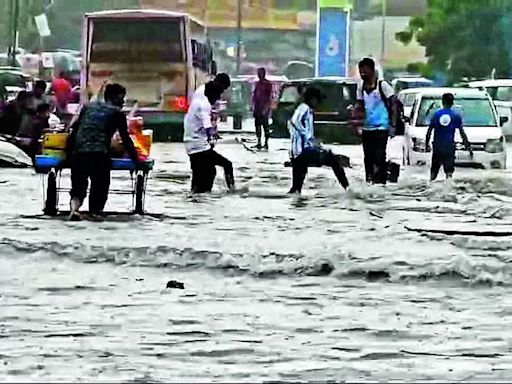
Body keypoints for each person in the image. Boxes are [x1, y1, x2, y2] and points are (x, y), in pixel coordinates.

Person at [67, 83, 141, 221]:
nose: (123, 102)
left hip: (79, 152)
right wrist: (137, 162)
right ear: (113, 97)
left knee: (78, 187)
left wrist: (68, 155)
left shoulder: (88, 107)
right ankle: (95, 212)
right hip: (99, 154)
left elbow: (75, 131)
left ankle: (74, 209)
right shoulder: (117, 113)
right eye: (121, 98)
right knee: (100, 185)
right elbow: (126, 140)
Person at [288, 86, 349, 194]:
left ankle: (296, 201)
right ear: (313, 99)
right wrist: (307, 137)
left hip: (297, 153)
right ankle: (347, 188)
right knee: (333, 159)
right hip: (302, 151)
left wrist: (313, 141)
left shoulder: (306, 109)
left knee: (297, 187)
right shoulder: (304, 108)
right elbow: (294, 121)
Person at [184, 81, 235, 193]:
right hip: (199, 147)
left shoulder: (197, 99)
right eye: (217, 97)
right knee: (226, 164)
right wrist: (212, 133)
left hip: (191, 145)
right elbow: (206, 123)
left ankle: (196, 197)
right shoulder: (204, 104)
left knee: (200, 175)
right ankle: (232, 190)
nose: (216, 100)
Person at [356, 57, 396, 185]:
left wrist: (393, 125)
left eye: (365, 71)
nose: (362, 74)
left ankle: (380, 183)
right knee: (368, 157)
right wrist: (356, 120)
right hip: (367, 128)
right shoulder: (360, 86)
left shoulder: (382, 85)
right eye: (360, 72)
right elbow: (360, 105)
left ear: (372, 70)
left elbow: (393, 104)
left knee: (379, 156)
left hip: (382, 127)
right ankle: (369, 181)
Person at [426, 93, 472, 181]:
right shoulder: (456, 116)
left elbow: (429, 131)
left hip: (437, 146)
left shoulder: (436, 114)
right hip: (449, 147)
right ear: (452, 103)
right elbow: (462, 133)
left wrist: (426, 145)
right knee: (449, 172)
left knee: (434, 171)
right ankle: (448, 188)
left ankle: (430, 185)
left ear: (443, 102)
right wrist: (468, 146)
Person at [252, 67, 273, 149]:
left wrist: (266, 108)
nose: (259, 75)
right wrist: (253, 106)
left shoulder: (268, 84)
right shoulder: (257, 84)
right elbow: (254, 96)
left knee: (265, 126)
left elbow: (269, 97)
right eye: (258, 73)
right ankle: (259, 142)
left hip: (264, 108)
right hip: (257, 108)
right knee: (257, 126)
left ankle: (266, 143)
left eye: (260, 73)